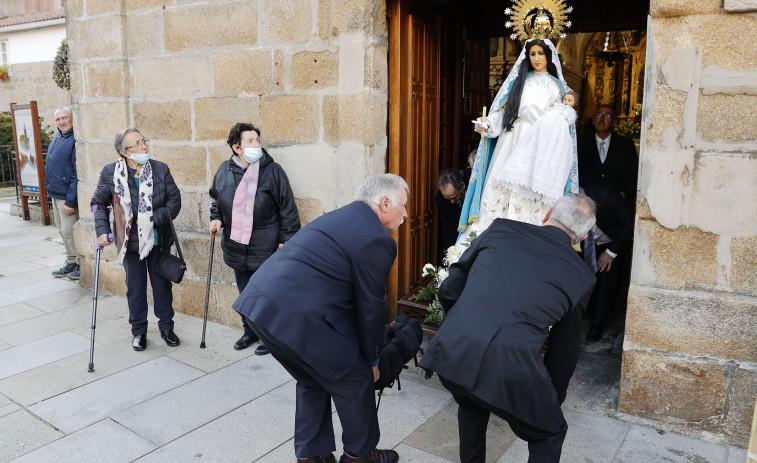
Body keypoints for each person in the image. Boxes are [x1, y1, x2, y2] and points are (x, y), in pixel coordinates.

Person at [233, 174, 408, 463]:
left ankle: (312, 458)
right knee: (356, 379)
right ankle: (361, 456)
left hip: (260, 306)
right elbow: (370, 307)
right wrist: (373, 360)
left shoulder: (344, 214)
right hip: (297, 316)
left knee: (312, 379)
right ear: (385, 203)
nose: (405, 213)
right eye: (403, 205)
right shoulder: (378, 238)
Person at [420, 193, 597, 463]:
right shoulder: (581, 275)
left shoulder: (501, 228)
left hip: (454, 351)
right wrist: (552, 397)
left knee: (470, 402)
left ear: (548, 214)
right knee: (550, 431)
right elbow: (565, 348)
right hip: (509, 366)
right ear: (582, 238)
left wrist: (464, 326)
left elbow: (449, 289)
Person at [457, 38, 579, 246]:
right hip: (513, 141)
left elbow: (565, 119)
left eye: (541, 53)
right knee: (501, 195)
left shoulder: (559, 88)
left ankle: (527, 244)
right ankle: (492, 242)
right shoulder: (520, 83)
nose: (537, 58)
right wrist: (488, 124)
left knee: (533, 197)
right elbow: (505, 112)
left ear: (548, 56)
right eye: (532, 54)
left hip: (541, 145)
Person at [209, 122, 300, 354]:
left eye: (257, 140)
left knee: (267, 294)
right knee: (246, 292)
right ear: (236, 147)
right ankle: (249, 332)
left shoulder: (273, 170)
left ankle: (270, 337)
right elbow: (216, 200)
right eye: (250, 141)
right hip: (237, 245)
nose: (256, 144)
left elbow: (288, 209)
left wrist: (285, 241)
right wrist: (216, 218)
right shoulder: (224, 170)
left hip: (267, 246)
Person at [91, 128, 182, 351]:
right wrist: (102, 230)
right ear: (124, 152)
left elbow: (174, 201)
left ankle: (166, 327)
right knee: (135, 288)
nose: (144, 146)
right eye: (137, 144)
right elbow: (97, 204)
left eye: (144, 141)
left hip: (158, 239)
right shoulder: (110, 172)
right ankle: (139, 331)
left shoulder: (160, 169)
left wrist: (151, 219)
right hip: (130, 243)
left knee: (162, 286)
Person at [583, 183, 634, 342]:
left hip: (610, 242)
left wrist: (611, 253)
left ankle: (597, 325)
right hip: (584, 241)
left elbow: (630, 224)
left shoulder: (607, 194)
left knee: (607, 278)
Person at [46, 106, 80, 280]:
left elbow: (76, 173)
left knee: (69, 230)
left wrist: (70, 201)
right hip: (55, 193)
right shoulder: (59, 136)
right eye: (58, 119)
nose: (62, 122)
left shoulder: (74, 139)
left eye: (65, 118)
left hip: (66, 196)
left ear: (73, 118)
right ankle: (71, 261)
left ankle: (81, 263)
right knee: (61, 230)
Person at [577, 104, 638, 201]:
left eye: (607, 116)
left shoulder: (626, 145)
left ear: (614, 123)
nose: (601, 118)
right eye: (598, 115)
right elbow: (578, 171)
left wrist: (624, 194)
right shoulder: (583, 144)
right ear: (593, 121)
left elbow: (632, 174)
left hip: (617, 204)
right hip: (588, 202)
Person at [435, 169, 466, 254]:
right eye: (448, 199)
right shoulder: (440, 200)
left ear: (463, 185)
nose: (452, 202)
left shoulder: (471, 181)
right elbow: (449, 229)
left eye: (455, 197)